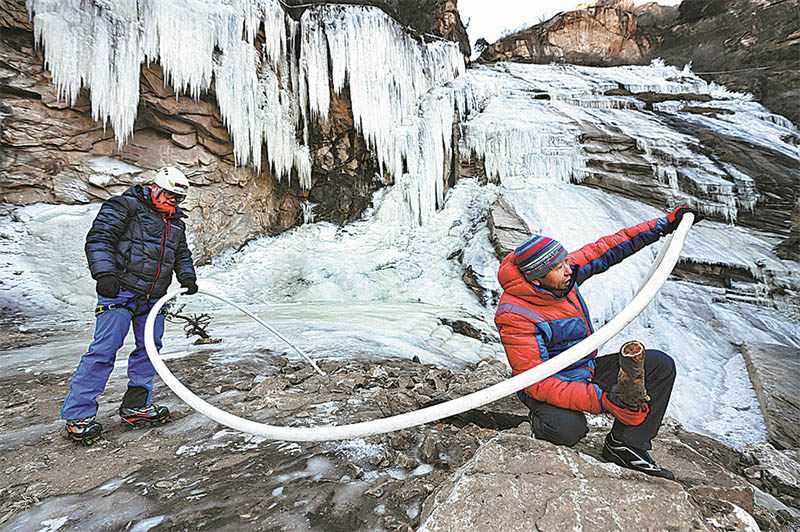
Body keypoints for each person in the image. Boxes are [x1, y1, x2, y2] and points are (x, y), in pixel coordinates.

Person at [494, 207, 700, 480]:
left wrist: (664, 224)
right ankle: (539, 423)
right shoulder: (514, 315)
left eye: (566, 261)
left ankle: (626, 445)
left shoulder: (561, 278)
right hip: (548, 383)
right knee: (566, 430)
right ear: (536, 278)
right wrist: (603, 401)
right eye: (558, 268)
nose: (569, 270)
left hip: (585, 367)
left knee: (659, 366)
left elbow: (607, 248)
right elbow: (536, 382)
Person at [61, 167, 199, 445]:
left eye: (179, 199)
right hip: (120, 292)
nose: (174, 202)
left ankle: (137, 405)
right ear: (155, 187)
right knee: (104, 350)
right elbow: (100, 238)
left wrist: (187, 276)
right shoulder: (124, 205)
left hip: (155, 297)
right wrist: (104, 274)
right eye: (170, 196)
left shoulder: (176, 222)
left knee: (149, 351)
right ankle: (78, 415)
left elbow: (181, 253)